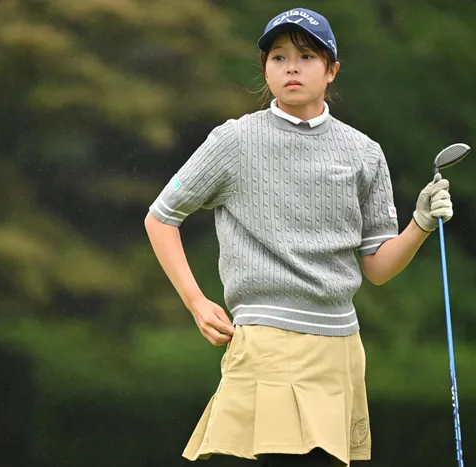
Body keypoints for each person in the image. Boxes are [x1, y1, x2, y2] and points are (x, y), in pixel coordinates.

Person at [144, 7, 452, 467]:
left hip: (340, 346)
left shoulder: (364, 152)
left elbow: (378, 267)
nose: (292, 67)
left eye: (306, 56)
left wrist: (421, 223)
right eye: (279, 57)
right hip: (266, 339)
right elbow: (161, 217)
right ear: (265, 68)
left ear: (331, 71)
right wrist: (195, 301)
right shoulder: (234, 140)